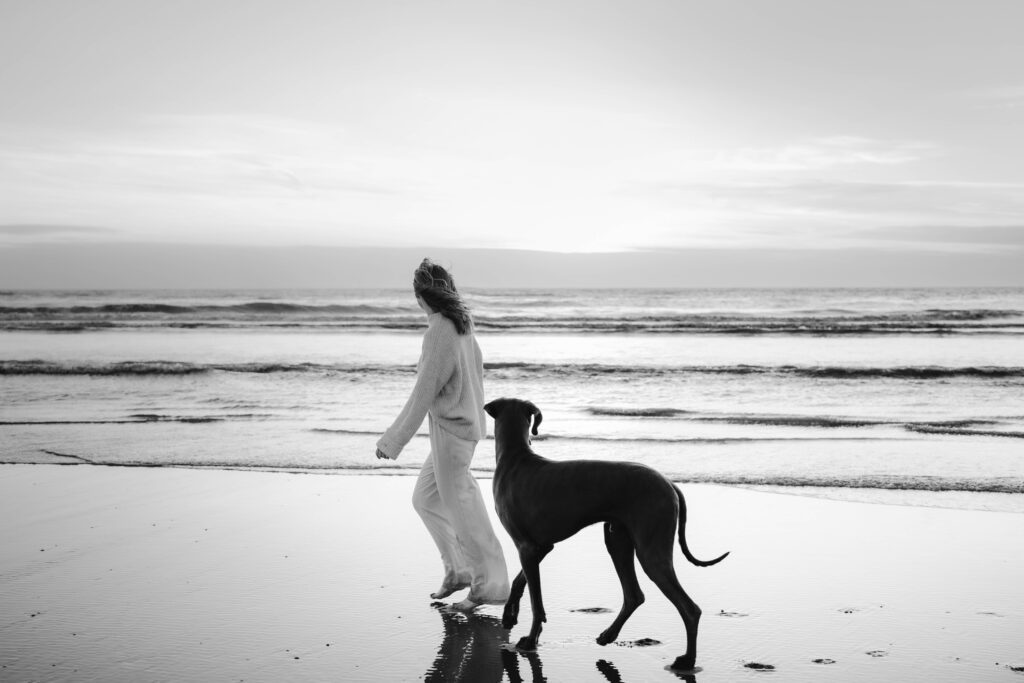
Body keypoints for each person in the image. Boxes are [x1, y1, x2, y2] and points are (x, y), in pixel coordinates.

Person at [376, 259, 510, 610]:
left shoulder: (440, 330)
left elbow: (423, 391)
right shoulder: (460, 323)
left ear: (422, 295)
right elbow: (473, 376)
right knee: (424, 498)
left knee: (465, 509)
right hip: (459, 428)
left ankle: (487, 586)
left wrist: (393, 441)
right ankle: (458, 571)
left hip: (453, 433)